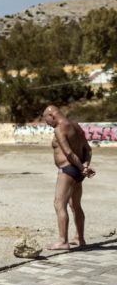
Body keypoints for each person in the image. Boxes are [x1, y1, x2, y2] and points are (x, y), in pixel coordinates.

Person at [43, 105, 95, 250]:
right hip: (78, 172)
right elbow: (88, 150)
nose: (47, 124)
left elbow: (69, 153)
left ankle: (63, 241)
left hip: (68, 170)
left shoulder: (60, 128)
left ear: (52, 116)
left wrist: (83, 168)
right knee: (75, 205)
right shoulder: (76, 126)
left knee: (59, 204)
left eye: (46, 120)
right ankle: (80, 238)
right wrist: (85, 166)